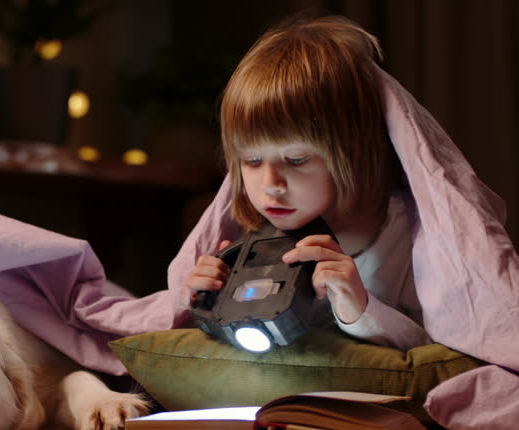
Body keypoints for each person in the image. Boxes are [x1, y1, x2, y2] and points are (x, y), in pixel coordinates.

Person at [181, 15, 432, 350]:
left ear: (352, 153)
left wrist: (359, 308)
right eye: (252, 161)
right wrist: (204, 303)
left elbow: (436, 352)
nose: (271, 184)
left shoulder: (408, 238)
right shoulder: (250, 241)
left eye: (296, 160)